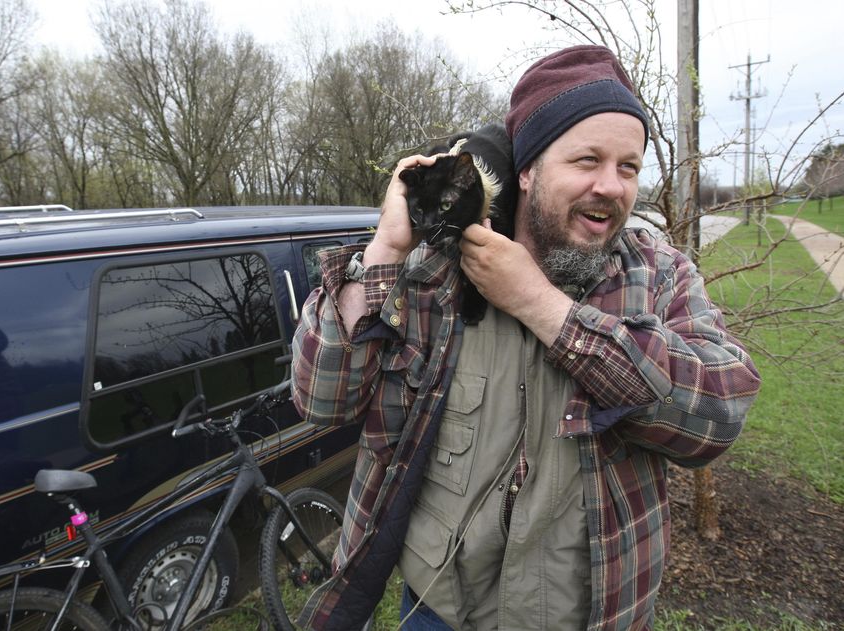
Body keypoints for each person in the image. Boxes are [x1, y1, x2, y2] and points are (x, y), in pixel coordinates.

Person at [290, 45, 761, 631]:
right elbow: (320, 398)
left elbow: (719, 415)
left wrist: (540, 305)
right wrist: (385, 249)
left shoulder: (658, 275)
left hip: (585, 615)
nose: (611, 187)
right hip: (439, 610)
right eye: (587, 160)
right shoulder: (437, 270)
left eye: (629, 167)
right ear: (530, 168)